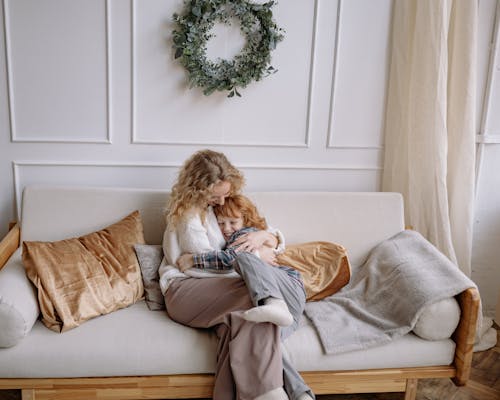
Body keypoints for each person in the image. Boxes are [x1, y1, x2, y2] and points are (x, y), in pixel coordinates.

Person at [159, 149, 314, 400]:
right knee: (255, 301)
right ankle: (284, 392)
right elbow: (202, 266)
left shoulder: (219, 208)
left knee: (246, 322)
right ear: (198, 190)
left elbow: (257, 231)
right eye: (215, 196)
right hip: (186, 288)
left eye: (225, 194)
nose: (221, 202)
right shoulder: (189, 217)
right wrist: (255, 257)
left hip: (222, 288)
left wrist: (264, 237)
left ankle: (292, 395)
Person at [176, 194, 308, 333]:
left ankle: (274, 303)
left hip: (288, 286)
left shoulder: (246, 234)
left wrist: (193, 259)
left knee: (242, 256)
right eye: (221, 223)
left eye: (233, 222)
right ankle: (276, 309)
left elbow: (230, 258)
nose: (226, 229)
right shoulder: (231, 238)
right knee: (266, 337)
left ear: (245, 220)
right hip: (290, 303)